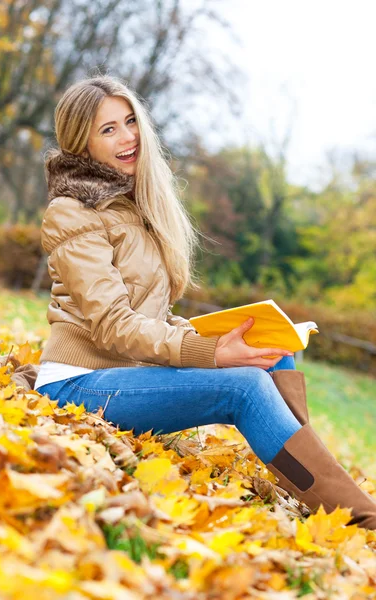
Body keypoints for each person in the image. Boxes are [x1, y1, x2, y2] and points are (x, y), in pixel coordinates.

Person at [34, 75, 376, 530]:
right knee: (243, 386)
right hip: (79, 385)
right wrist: (211, 353)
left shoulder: (133, 206)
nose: (128, 135)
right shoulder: (72, 211)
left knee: (271, 347)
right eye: (108, 129)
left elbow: (151, 315)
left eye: (130, 121)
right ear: (81, 143)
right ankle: (362, 519)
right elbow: (114, 325)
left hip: (124, 371)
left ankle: (311, 484)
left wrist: (218, 336)